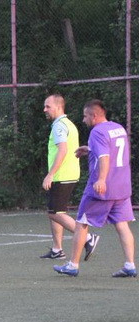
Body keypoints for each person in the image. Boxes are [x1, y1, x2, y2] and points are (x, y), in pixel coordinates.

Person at [54, 99, 136, 277]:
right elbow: (113, 151)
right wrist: (90, 149)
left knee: (82, 223)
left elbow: (105, 157)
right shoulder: (118, 128)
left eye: (85, 116)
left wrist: (101, 180)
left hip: (102, 188)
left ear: (95, 115)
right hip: (122, 186)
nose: (84, 120)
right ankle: (130, 265)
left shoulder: (97, 131)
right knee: (122, 224)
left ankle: (72, 265)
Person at [39, 94, 99, 260]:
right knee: (56, 210)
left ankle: (88, 238)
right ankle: (57, 249)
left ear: (59, 107)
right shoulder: (68, 124)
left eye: (48, 106)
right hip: (68, 173)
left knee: (54, 213)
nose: (45, 109)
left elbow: (63, 150)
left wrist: (50, 174)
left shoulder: (59, 126)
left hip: (62, 175)